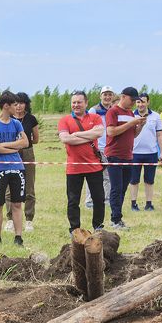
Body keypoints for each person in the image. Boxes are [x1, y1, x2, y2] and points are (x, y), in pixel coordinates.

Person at [0, 91, 29, 246]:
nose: (17, 108)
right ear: (6, 106)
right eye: (14, 105)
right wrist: (13, 148)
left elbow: (25, 142)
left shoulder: (16, 123)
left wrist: (4, 145)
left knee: (17, 204)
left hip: (17, 169)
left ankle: (18, 237)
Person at [58, 91, 106, 233]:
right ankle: (75, 229)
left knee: (99, 199)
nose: (76, 105)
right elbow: (65, 139)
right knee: (73, 201)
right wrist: (88, 135)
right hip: (74, 168)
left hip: (94, 166)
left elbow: (99, 133)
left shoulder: (95, 117)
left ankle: (98, 227)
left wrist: (77, 134)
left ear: (86, 103)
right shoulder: (65, 120)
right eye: (74, 102)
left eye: (79, 102)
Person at [104, 86, 146, 229]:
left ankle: (117, 217)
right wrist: (131, 123)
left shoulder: (131, 113)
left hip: (128, 155)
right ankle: (116, 220)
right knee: (116, 188)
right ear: (123, 97)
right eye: (132, 100)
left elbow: (133, 134)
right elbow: (111, 132)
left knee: (123, 189)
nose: (134, 103)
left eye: (136, 100)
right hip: (114, 155)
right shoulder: (113, 111)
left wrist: (139, 126)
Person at [4, 92, 39, 232]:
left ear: (26, 104)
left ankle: (29, 220)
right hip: (11, 153)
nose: (18, 106)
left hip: (27, 152)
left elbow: (35, 139)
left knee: (29, 187)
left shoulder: (31, 119)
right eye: (16, 103)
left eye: (22, 103)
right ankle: (10, 219)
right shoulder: (8, 119)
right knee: (9, 187)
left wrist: (23, 144)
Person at [128, 93, 162, 211]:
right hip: (134, 153)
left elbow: (160, 135)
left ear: (148, 102)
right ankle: (133, 204)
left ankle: (149, 204)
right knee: (134, 180)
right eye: (138, 102)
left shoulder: (156, 116)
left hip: (151, 153)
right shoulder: (131, 115)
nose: (140, 104)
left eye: (143, 102)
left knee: (149, 180)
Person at [86, 86, 115, 207]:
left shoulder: (114, 110)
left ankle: (107, 200)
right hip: (97, 147)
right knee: (93, 174)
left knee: (108, 176)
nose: (107, 97)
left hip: (110, 147)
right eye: (105, 94)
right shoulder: (94, 110)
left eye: (109, 94)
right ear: (100, 96)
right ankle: (89, 201)